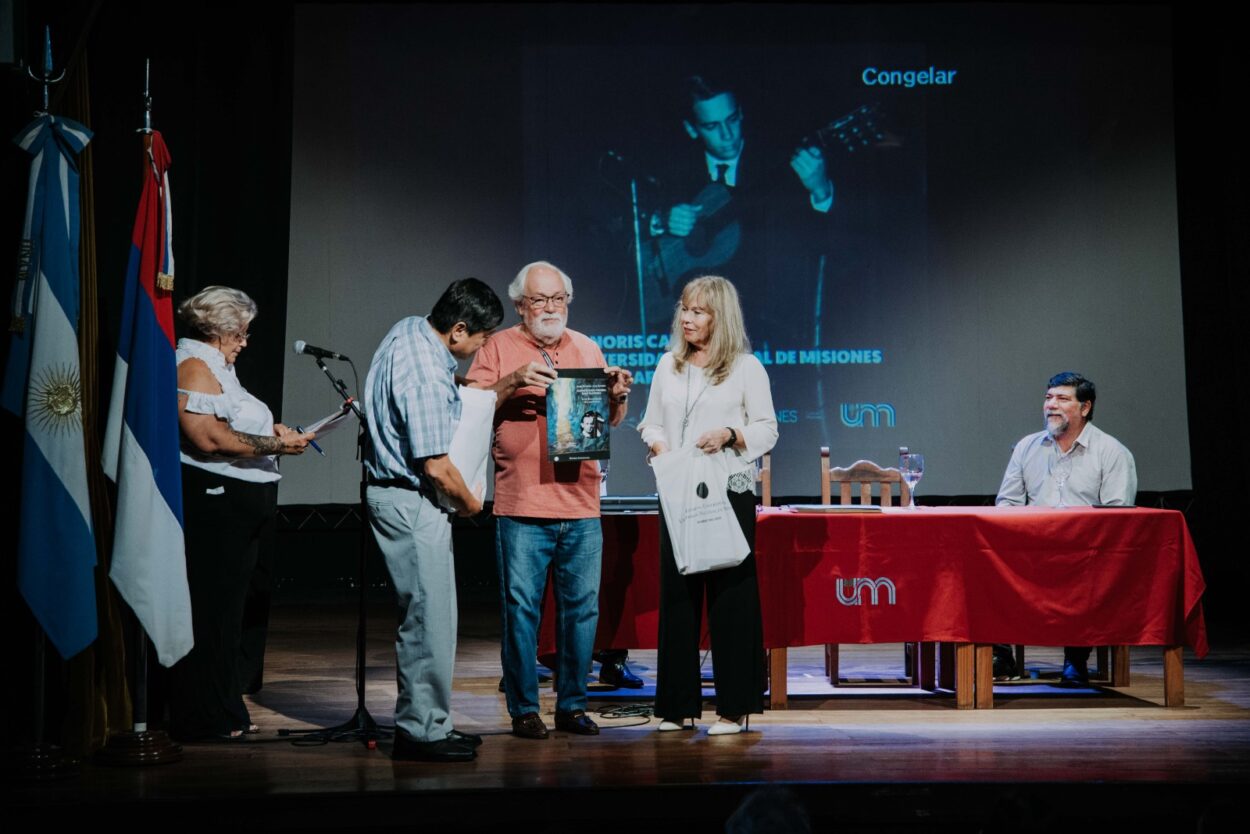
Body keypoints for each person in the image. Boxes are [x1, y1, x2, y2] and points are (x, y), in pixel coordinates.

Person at [467, 261, 634, 739]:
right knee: (521, 609)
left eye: (558, 299)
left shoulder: (586, 346)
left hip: (580, 503)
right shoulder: (498, 347)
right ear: (520, 305)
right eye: (539, 300)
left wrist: (618, 396)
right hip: (521, 505)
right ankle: (523, 707)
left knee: (582, 609)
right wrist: (512, 381)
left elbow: (609, 422)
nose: (549, 308)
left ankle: (572, 705)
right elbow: (469, 409)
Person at [364, 278, 504, 762]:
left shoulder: (410, 330)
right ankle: (422, 732)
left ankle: (431, 722)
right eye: (482, 338)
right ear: (459, 329)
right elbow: (436, 465)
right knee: (429, 620)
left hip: (398, 498)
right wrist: (471, 505)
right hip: (410, 499)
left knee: (430, 616)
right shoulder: (425, 368)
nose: (482, 348)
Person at [171, 286, 313, 740]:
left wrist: (269, 431)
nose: (245, 341)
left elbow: (231, 423)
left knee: (233, 614)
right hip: (217, 506)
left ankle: (224, 707)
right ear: (217, 330)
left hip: (240, 505)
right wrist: (277, 445)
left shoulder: (219, 367)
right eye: (240, 332)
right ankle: (203, 717)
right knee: (214, 614)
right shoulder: (194, 366)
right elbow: (206, 437)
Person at [638, 275, 778, 735]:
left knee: (730, 598)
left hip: (727, 489)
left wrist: (730, 435)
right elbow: (650, 423)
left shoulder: (746, 367)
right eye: (684, 308)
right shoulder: (668, 365)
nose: (686, 317)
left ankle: (734, 708)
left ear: (720, 318)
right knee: (678, 598)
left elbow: (767, 429)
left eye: (698, 311)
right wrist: (659, 445)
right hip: (678, 490)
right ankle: (676, 707)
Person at [642, 74, 834, 339]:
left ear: (741, 114)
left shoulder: (777, 168)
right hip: (682, 330)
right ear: (692, 128)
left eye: (731, 120)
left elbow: (821, 244)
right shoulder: (671, 170)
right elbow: (612, 220)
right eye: (712, 126)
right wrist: (661, 221)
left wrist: (821, 189)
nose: (727, 135)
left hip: (764, 329)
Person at [995, 371, 1138, 685]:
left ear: (1085, 408)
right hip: (1032, 549)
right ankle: (1000, 655)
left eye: (1062, 399)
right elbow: (1007, 504)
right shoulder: (1026, 447)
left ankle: (1076, 660)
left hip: (1085, 554)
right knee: (987, 562)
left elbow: (1117, 519)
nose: (1051, 406)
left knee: (1087, 571)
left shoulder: (1111, 452)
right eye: (1048, 398)